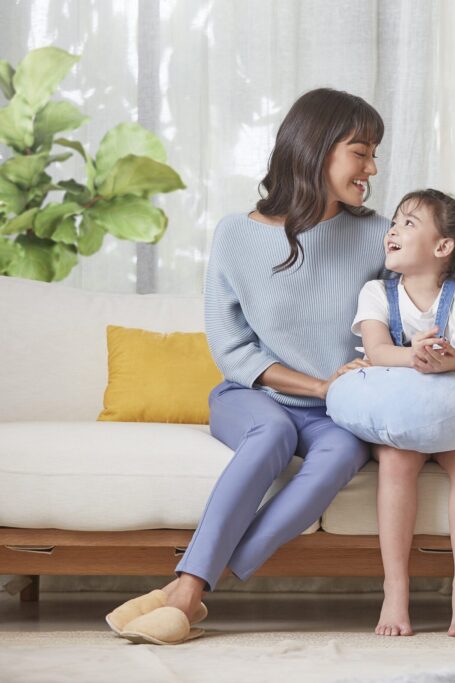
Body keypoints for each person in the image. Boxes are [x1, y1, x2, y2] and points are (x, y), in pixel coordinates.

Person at [105, 88, 390, 645]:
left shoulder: (379, 236)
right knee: (273, 433)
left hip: (338, 411)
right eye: (360, 153)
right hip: (252, 397)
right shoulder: (236, 234)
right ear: (316, 149)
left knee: (341, 454)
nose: (372, 169)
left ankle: (185, 592)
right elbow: (232, 349)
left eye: (375, 154)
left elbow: (406, 314)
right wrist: (318, 385)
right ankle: (188, 591)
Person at [352, 189, 455, 638]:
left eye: (409, 223)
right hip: (401, 421)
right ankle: (395, 589)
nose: (393, 230)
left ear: (443, 246)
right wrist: (417, 356)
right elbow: (378, 351)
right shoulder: (377, 293)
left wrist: (454, 361)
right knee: (396, 460)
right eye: (394, 222)